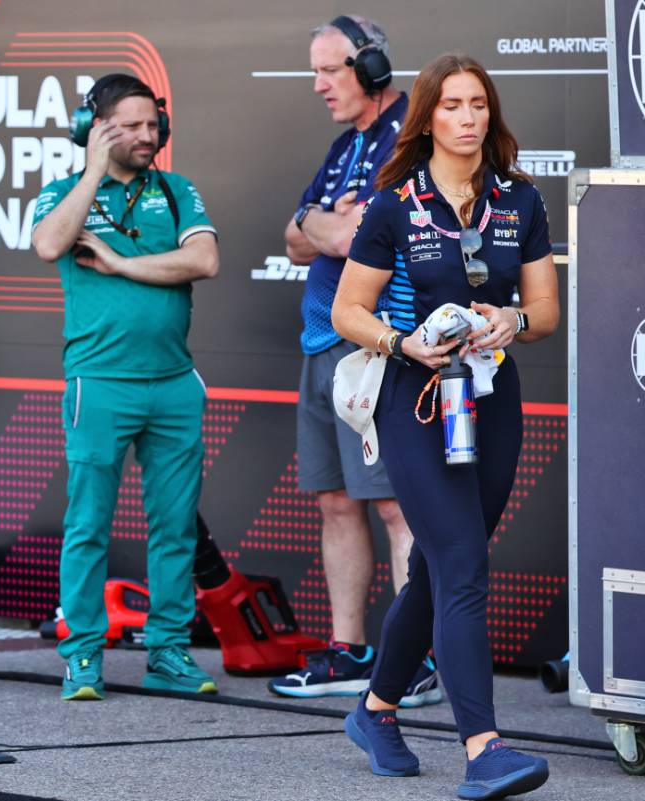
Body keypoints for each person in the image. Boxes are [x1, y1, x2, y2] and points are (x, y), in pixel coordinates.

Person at [331, 53, 559, 799]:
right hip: (415, 401)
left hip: (493, 400)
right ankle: (483, 746)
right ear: (427, 116)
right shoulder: (396, 203)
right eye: (454, 105)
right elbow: (347, 311)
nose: (469, 117)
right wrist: (404, 342)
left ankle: (375, 707)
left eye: (479, 105)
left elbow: (546, 313)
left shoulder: (519, 199)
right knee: (462, 565)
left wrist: (510, 319)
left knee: (438, 565)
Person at [31, 74, 220, 700]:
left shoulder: (176, 189)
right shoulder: (63, 193)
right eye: (130, 126)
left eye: (152, 124)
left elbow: (204, 260)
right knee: (87, 524)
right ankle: (81, 654)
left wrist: (117, 263)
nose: (148, 136)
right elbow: (48, 244)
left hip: (173, 385)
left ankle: (168, 652)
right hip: (99, 385)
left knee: (175, 530)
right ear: (96, 128)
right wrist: (91, 170)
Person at [271, 15, 438, 705]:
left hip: (375, 343)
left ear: (371, 69)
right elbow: (296, 238)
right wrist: (322, 223)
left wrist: (324, 225)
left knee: (397, 507)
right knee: (337, 502)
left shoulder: (411, 144)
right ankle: (349, 650)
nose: (318, 86)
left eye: (330, 70)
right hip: (321, 342)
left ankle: (417, 662)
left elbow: (344, 236)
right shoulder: (347, 146)